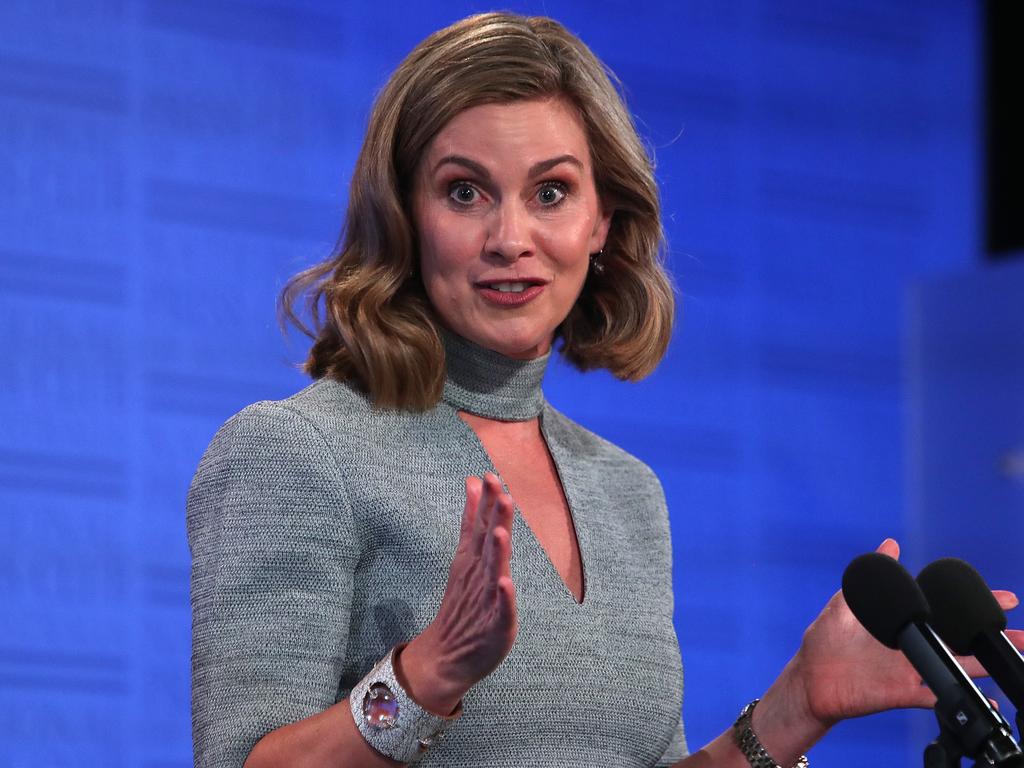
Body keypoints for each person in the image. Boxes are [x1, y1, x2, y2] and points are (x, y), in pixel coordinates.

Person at [186, 11, 1021, 768]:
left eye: (550, 192)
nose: (511, 238)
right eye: (464, 191)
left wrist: (797, 706)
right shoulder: (298, 450)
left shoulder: (625, 492)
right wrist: (424, 676)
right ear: (405, 215)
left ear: (601, 224)